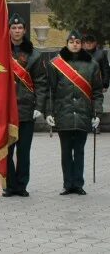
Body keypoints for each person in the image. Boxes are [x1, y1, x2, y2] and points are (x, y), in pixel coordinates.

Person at [45, 30, 104, 196]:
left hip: (84, 114)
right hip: (63, 114)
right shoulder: (56, 64)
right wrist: (49, 112)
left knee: (79, 150)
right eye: (72, 42)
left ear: (81, 44)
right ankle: (67, 184)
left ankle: (78, 184)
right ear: (67, 44)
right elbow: (51, 91)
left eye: (78, 42)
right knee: (65, 151)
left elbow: (97, 92)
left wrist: (97, 114)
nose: (75, 44)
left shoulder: (92, 65)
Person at [3, 13, 48, 198]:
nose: (16, 31)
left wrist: (40, 106)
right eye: (13, 28)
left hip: (26, 109)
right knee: (5, 151)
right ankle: (10, 185)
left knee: (23, 152)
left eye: (20, 27)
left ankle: (21, 186)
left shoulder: (34, 55)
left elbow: (41, 82)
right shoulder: (0, 52)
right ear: (9, 30)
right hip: (6, 110)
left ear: (25, 30)